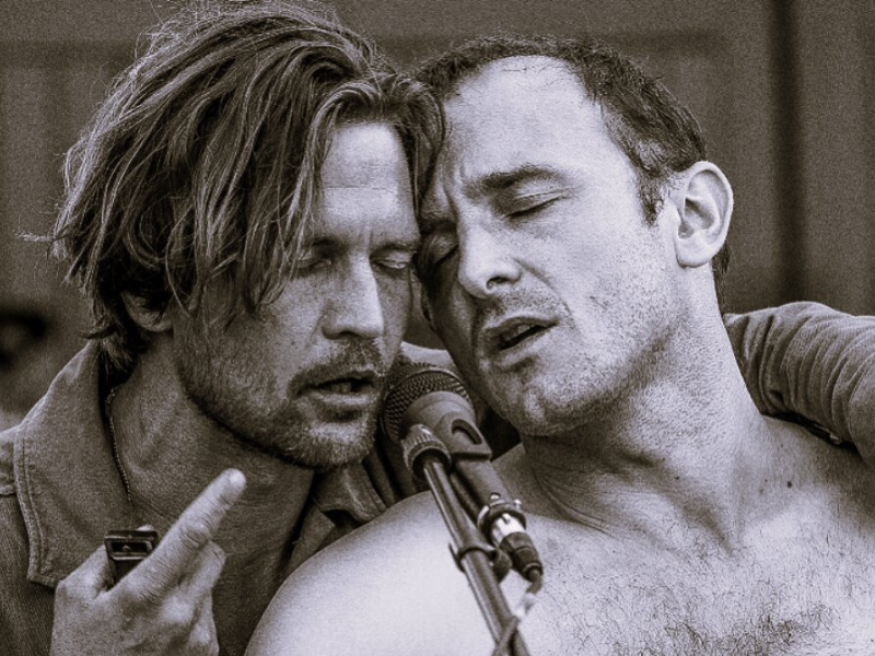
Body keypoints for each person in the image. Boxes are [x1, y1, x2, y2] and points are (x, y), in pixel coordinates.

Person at [247, 34, 875, 655]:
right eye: (438, 252)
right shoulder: (373, 619)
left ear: (693, 217)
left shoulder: (861, 496)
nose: (476, 271)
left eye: (527, 206)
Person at [0, 2, 443, 654]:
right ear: (151, 289)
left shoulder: (447, 447)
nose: (368, 319)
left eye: (392, 262)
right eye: (304, 260)